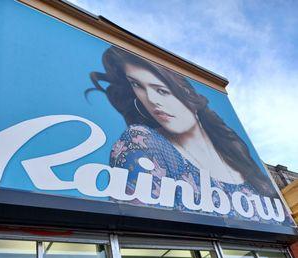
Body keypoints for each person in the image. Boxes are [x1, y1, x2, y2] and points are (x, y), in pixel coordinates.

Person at [86, 46, 277, 217]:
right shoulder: (143, 142)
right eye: (137, 85)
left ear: (187, 93)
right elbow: (138, 225)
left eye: (161, 90)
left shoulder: (235, 152)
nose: (152, 100)